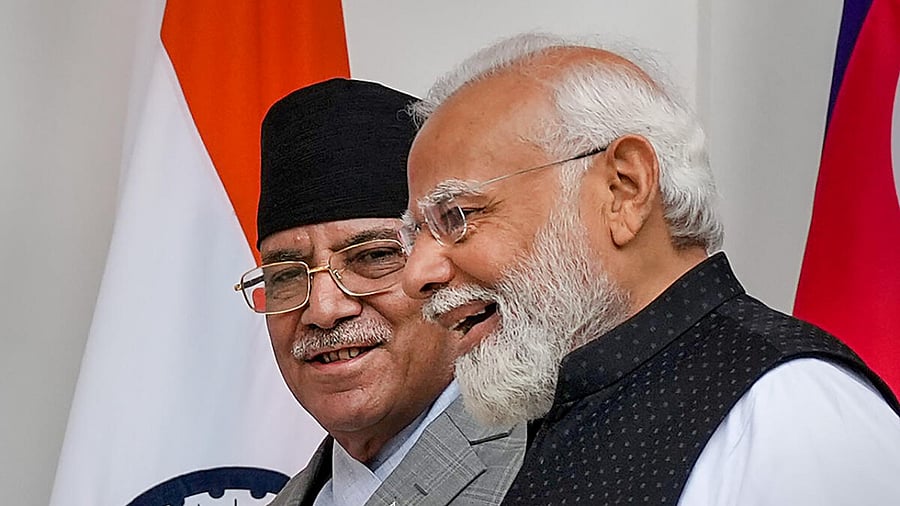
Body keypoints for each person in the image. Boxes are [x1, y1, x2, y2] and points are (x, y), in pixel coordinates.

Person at [399, 33, 900, 505]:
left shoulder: (792, 416)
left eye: (456, 216)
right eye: (414, 233)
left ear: (624, 189)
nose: (415, 274)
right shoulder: (560, 411)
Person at [234, 78, 525, 506]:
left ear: (451, 273)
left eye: (372, 258)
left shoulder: (557, 466)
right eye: (287, 276)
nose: (323, 308)